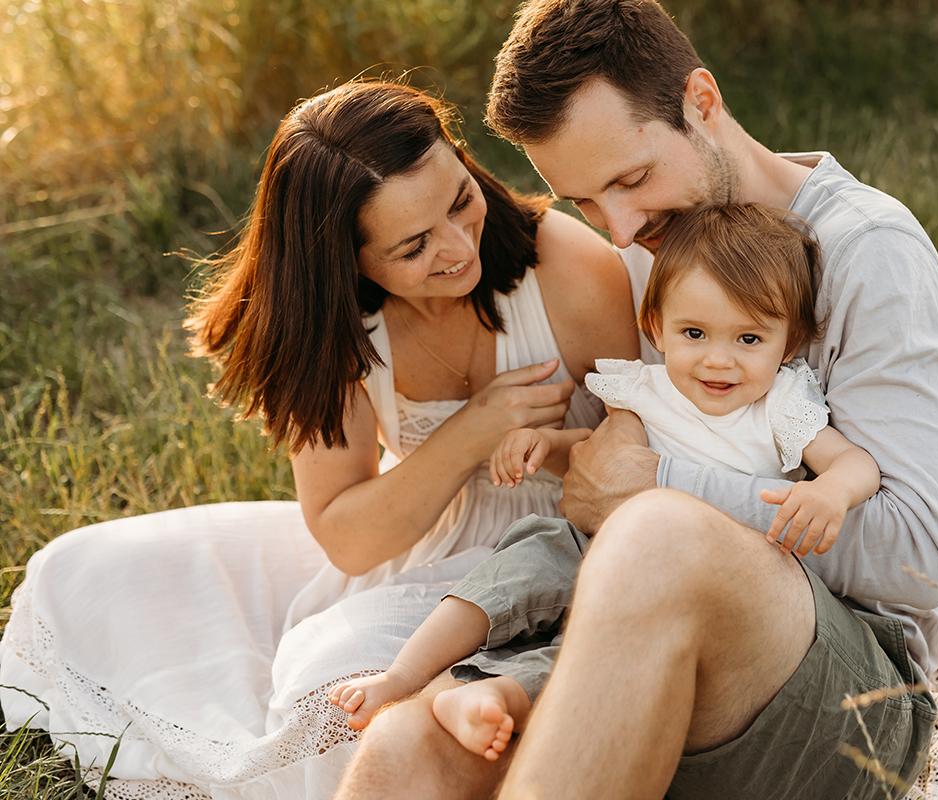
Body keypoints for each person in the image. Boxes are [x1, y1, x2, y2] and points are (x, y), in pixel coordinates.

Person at [335, 1, 938, 799]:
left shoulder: (871, 252)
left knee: (659, 533)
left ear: (701, 102)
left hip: (845, 687)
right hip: (630, 632)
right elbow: (602, 464)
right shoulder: (649, 250)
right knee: (408, 745)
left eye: (633, 179)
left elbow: (913, 559)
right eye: (586, 204)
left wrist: (660, 491)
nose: (622, 226)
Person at [0, 80, 641, 798]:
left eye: (461, 200)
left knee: (354, 715)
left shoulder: (562, 266)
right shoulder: (337, 330)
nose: (461, 246)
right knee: (87, 574)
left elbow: (652, 443)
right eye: (413, 246)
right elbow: (348, 537)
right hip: (418, 548)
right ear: (345, 259)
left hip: (568, 551)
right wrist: (474, 430)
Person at [326, 203, 882, 751]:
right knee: (519, 562)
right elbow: (599, 459)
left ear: (789, 342)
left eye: (749, 339)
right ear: (657, 328)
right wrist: (547, 445)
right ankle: (402, 677)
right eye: (695, 333)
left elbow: (856, 463)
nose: (718, 360)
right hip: (595, 538)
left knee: (595, 644)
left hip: (694, 574)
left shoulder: (779, 406)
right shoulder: (646, 392)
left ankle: (501, 696)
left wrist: (830, 490)